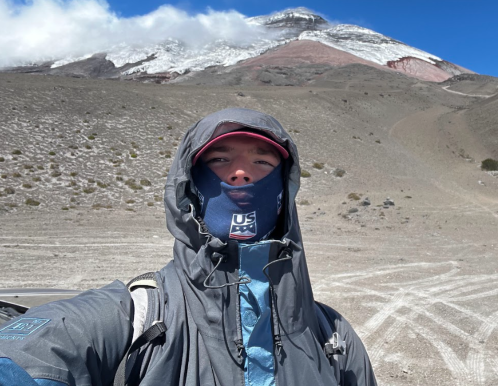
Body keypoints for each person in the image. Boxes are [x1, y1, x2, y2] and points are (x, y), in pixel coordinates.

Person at [0, 107, 377, 386]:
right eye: (219, 160)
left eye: (262, 161)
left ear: (284, 190)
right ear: (189, 187)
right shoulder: (136, 318)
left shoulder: (333, 337)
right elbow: (42, 349)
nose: (241, 173)